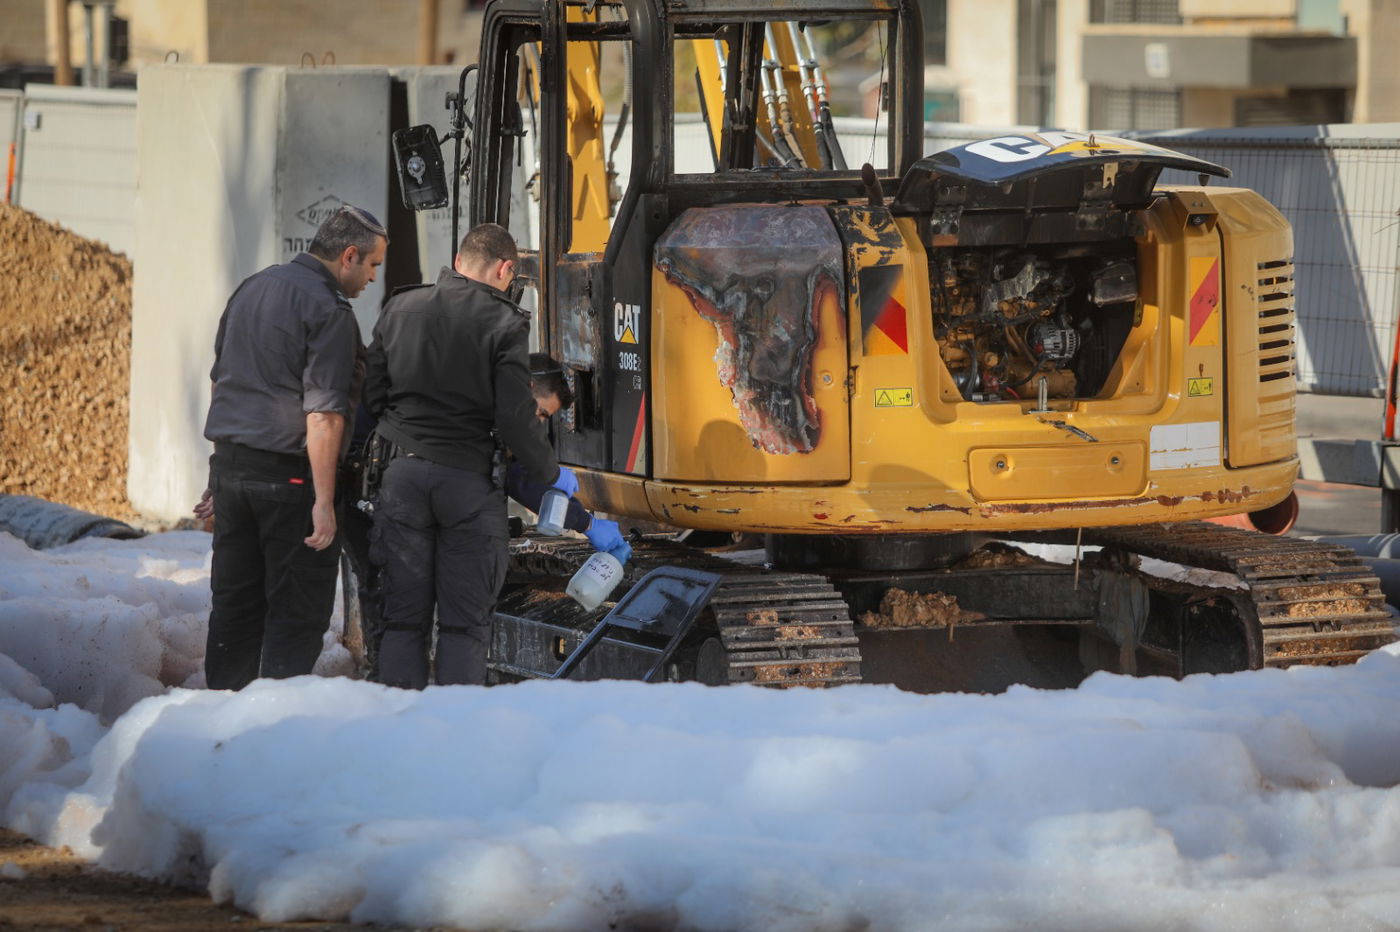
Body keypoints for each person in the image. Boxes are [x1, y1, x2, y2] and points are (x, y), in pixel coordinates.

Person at [364, 223, 577, 689]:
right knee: (464, 624)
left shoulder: (400, 306)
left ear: (458, 262)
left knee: (401, 620)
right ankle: (453, 736)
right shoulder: (505, 323)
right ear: (506, 269)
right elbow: (515, 415)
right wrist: (549, 474)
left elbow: (371, 393)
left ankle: (399, 724)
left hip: (401, 476)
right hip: (467, 484)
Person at [198, 204, 388, 690]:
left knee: (235, 607)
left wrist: (217, 476)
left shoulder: (252, 288)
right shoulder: (329, 311)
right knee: (296, 613)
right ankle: (270, 736)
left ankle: (218, 728)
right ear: (349, 256)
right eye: (372, 266)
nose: (371, 278)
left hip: (233, 472)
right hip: (292, 480)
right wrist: (323, 501)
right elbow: (323, 415)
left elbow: (223, 386)